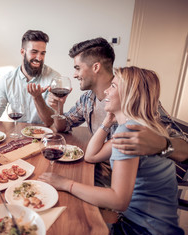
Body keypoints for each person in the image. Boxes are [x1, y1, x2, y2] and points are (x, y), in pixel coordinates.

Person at [40, 67, 184, 235]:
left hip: (144, 231)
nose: (107, 90)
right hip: (150, 224)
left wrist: (65, 183)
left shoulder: (130, 132)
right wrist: (107, 121)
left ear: (131, 94)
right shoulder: (138, 126)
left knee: (68, 222)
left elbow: (118, 201)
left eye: (114, 86)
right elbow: (91, 156)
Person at [48, 37, 188, 186]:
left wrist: (161, 144)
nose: (75, 75)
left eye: (77, 68)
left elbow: (185, 150)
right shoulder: (88, 99)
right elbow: (64, 126)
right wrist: (59, 108)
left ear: (96, 67)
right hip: (98, 166)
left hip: (130, 183)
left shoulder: (135, 100)